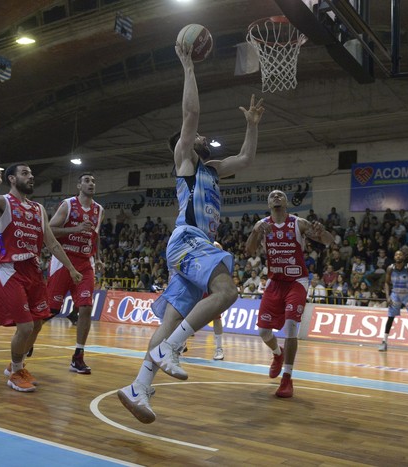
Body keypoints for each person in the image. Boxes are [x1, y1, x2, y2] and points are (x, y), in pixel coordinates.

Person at [116, 40, 265, 424]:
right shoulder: (185, 161)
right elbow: (191, 112)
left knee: (168, 322)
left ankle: (138, 389)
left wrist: (251, 126)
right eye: (197, 136)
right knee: (228, 291)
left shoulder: (213, 169)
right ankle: (173, 348)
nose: (203, 137)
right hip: (188, 240)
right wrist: (188, 66)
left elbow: (247, 158)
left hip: (191, 247)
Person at [0, 165, 82, 392]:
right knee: (24, 327)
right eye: (25, 173)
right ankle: (15, 372)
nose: (31, 176)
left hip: (33, 271)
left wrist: (70, 268)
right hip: (8, 270)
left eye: (32, 173)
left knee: (37, 324)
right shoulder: (1, 201)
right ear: (11, 179)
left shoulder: (38, 208)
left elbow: (51, 243)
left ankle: (17, 365)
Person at [245, 189, 334, 398]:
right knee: (263, 332)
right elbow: (249, 251)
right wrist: (255, 232)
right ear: (268, 204)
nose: (276, 197)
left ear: (286, 202)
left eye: (280, 195)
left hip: (297, 280)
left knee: (291, 326)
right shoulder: (263, 226)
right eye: (272, 196)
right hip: (275, 281)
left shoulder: (299, 223)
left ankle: (287, 378)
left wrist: (322, 231)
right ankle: (277, 354)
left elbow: (329, 241)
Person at [43, 173, 104, 374]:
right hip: (63, 261)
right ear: (79, 185)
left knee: (86, 307)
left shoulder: (99, 209)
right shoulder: (68, 205)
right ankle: (26, 340)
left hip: (86, 262)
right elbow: (50, 229)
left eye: (93, 181)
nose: (91, 184)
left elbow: (96, 236)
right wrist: (76, 228)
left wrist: (100, 257)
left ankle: (78, 356)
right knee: (50, 311)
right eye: (87, 180)